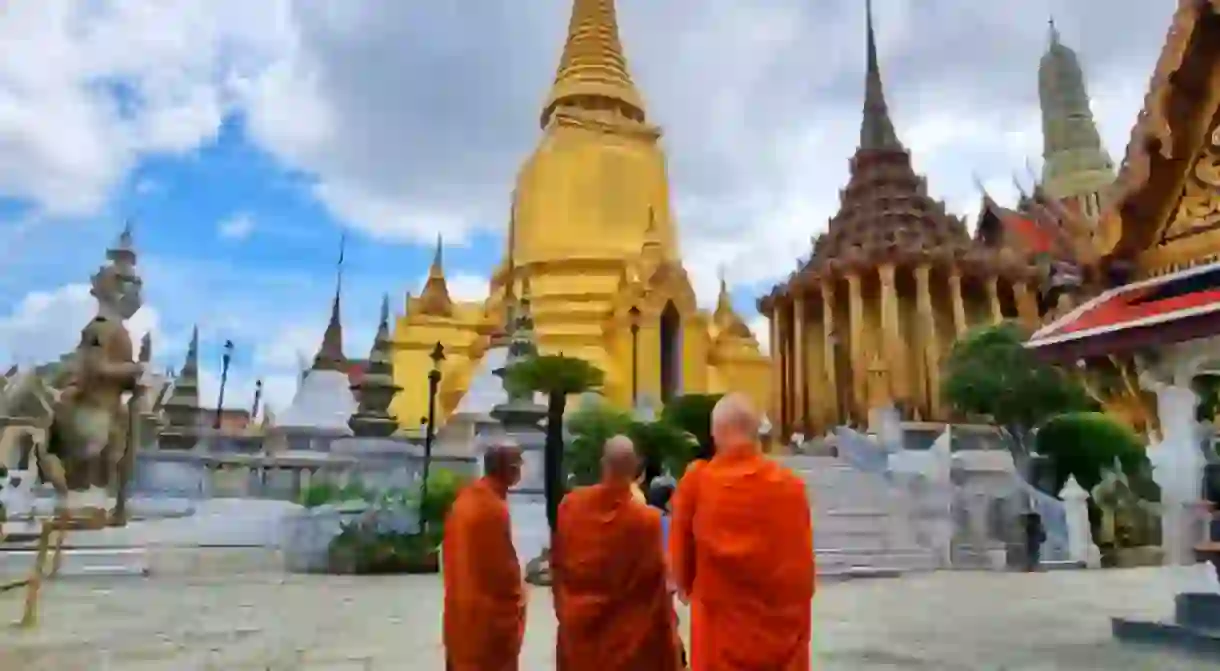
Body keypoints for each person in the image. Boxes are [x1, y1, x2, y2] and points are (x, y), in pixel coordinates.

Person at [670, 393, 815, 670]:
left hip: (719, 643)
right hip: (781, 645)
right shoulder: (791, 487)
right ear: (755, 433)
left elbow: (680, 570)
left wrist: (690, 587)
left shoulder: (697, 483)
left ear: (715, 433)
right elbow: (803, 574)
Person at [552, 435, 682, 671]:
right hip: (628, 646)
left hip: (580, 637)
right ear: (634, 469)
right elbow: (656, 591)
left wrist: (564, 611)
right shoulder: (646, 521)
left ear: (603, 463)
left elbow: (559, 567)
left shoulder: (571, 507)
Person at [443, 442, 527, 671]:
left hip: (460, 613)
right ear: (508, 469)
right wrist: (519, 598)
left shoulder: (466, 499)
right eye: (518, 464)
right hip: (485, 624)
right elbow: (502, 573)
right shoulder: (492, 508)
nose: (521, 469)